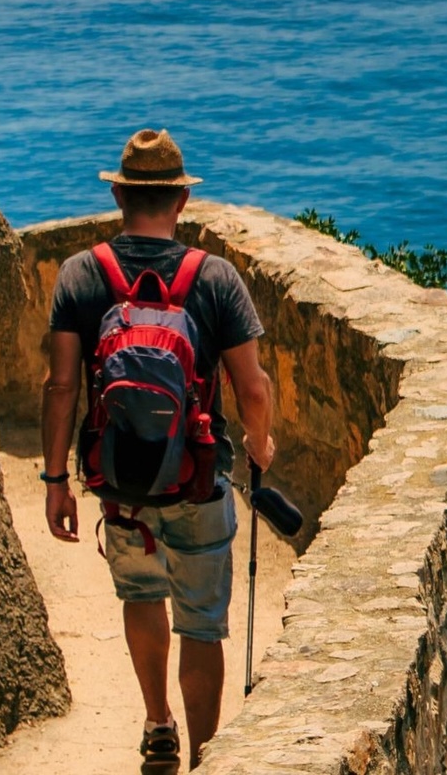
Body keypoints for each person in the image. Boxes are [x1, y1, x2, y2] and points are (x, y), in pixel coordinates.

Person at [39, 128, 276, 769]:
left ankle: (157, 725)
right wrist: (259, 443)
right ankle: (204, 754)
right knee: (202, 622)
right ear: (181, 202)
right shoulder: (216, 278)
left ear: (118, 194)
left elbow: (61, 386)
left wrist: (55, 479)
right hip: (198, 479)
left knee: (140, 597)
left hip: (119, 484)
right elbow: (252, 387)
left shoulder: (81, 275)